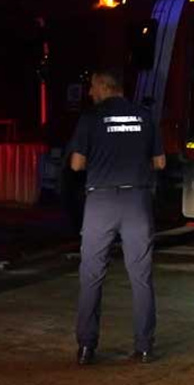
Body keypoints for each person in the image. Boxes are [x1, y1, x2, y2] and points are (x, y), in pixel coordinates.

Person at [67, 69, 165, 366]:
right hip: (137, 201)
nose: (89, 93)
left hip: (101, 202)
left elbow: (75, 164)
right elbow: (160, 162)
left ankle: (86, 347)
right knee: (141, 277)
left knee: (92, 275)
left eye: (92, 87)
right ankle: (145, 347)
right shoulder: (144, 116)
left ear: (104, 86)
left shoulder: (91, 118)